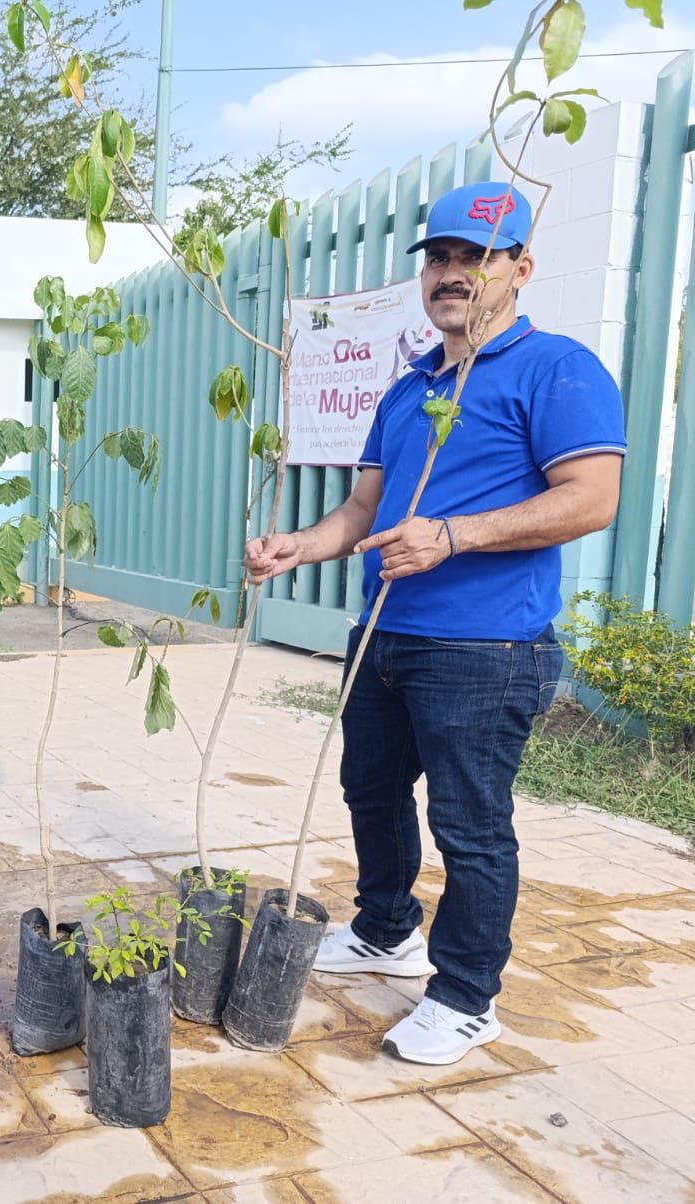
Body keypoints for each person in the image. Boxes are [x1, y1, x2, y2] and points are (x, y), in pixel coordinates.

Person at [245, 182, 625, 1065]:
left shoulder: (557, 368)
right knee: (370, 794)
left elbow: (592, 498)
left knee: (469, 824)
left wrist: (453, 536)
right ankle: (385, 930)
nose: (452, 275)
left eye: (475, 258)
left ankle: (465, 996)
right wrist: (300, 546)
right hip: (385, 633)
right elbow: (365, 509)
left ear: (520, 269)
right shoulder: (411, 386)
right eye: (440, 259)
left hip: (485, 648)